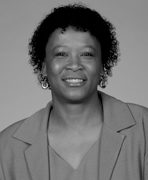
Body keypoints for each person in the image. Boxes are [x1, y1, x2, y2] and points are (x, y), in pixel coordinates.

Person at [0, 3, 148, 180]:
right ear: (44, 67)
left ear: (102, 66)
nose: (75, 65)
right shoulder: (8, 146)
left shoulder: (143, 128)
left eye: (87, 54)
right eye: (61, 54)